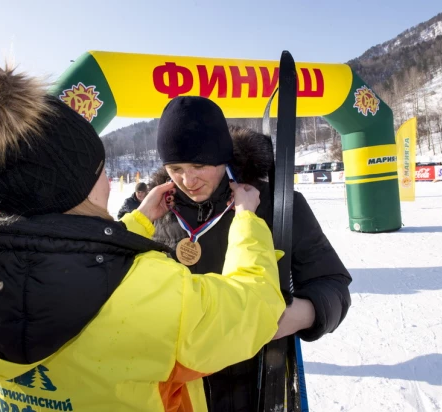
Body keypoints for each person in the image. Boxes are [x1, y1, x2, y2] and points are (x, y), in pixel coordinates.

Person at [0, 46, 286, 412]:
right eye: (101, 171)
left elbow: (66, 259)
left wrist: (137, 222)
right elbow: (252, 308)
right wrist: (246, 220)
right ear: (80, 186)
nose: (109, 183)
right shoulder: (146, 290)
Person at [150, 96, 352, 411]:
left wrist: (302, 313)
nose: (188, 180)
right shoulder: (156, 212)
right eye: (175, 168)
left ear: (221, 155)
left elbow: (333, 286)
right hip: (179, 390)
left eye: (200, 165)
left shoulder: (278, 204)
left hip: (258, 383)